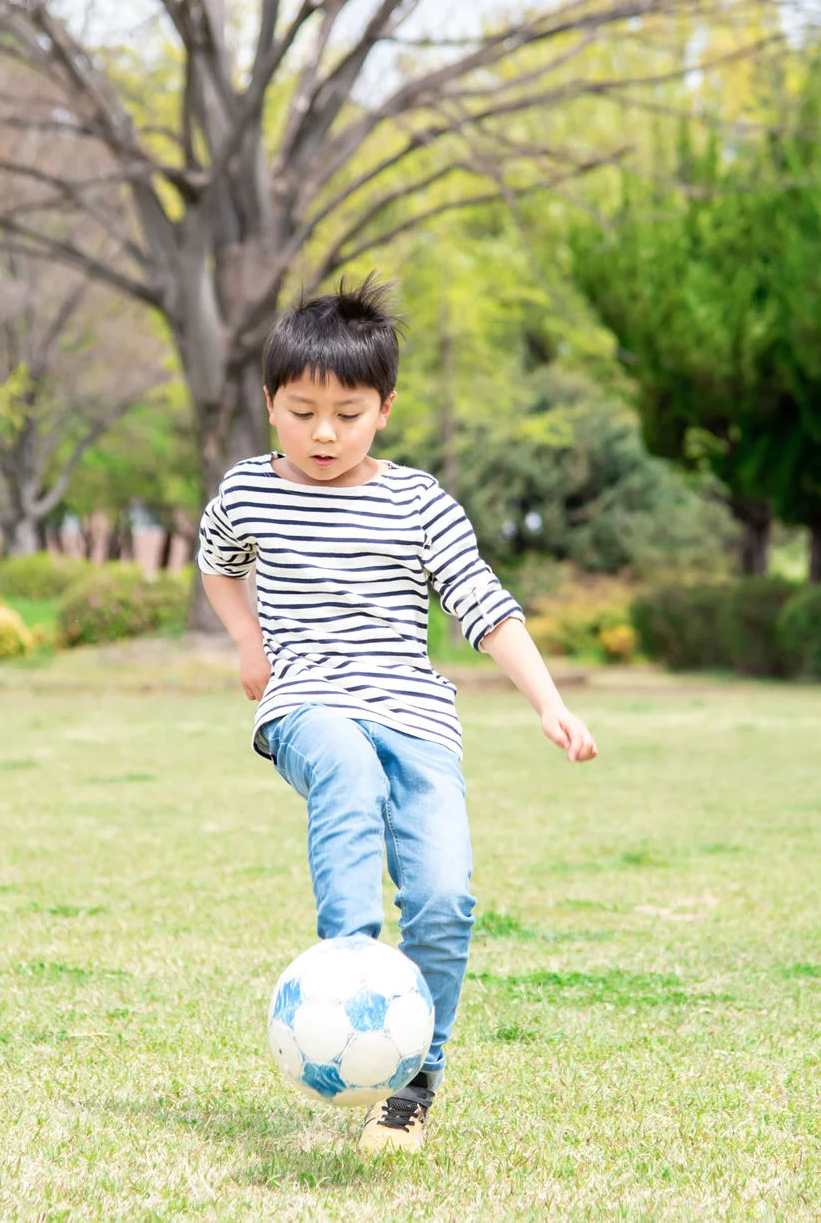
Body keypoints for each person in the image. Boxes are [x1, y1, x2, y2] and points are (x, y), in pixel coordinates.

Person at [196, 276, 598, 1154]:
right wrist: (248, 643)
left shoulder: (417, 503)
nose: (324, 433)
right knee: (341, 764)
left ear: (384, 409)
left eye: (347, 412)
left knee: (447, 901)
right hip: (307, 702)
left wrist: (549, 702)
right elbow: (216, 562)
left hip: (415, 714)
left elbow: (483, 605)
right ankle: (349, 967)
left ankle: (413, 1083)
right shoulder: (248, 492)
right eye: (301, 413)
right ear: (270, 406)